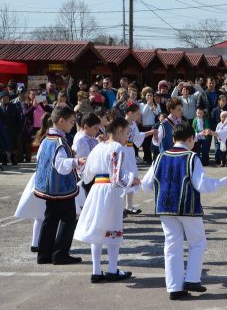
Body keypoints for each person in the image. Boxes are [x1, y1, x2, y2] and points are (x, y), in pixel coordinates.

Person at [141, 123, 227, 300]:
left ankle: (174, 287)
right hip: (187, 206)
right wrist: (224, 182)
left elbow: (146, 185)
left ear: (173, 138)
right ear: (191, 139)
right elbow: (202, 185)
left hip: (165, 207)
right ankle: (192, 278)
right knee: (197, 242)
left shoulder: (160, 157)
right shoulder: (192, 157)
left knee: (171, 246)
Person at [73, 117, 139, 283]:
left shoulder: (98, 147)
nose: (128, 137)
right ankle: (112, 269)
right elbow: (118, 179)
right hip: (111, 190)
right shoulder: (117, 147)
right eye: (127, 133)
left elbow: (86, 175)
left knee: (98, 228)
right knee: (113, 228)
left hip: (97, 189)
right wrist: (132, 179)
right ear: (118, 131)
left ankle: (96, 271)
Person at [33, 104, 86, 265]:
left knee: (50, 219)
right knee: (68, 219)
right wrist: (76, 161)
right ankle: (60, 254)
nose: (72, 124)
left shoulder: (47, 139)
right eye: (71, 121)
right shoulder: (59, 142)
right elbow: (61, 165)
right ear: (61, 121)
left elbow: (42, 160)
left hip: (48, 188)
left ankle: (44, 254)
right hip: (61, 189)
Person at [123, 103, 156, 215]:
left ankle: (129, 205)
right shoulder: (121, 124)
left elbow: (137, 137)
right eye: (137, 114)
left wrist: (151, 132)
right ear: (130, 113)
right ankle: (120, 206)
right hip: (122, 151)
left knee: (132, 175)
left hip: (130, 150)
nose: (139, 116)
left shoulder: (133, 124)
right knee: (123, 176)